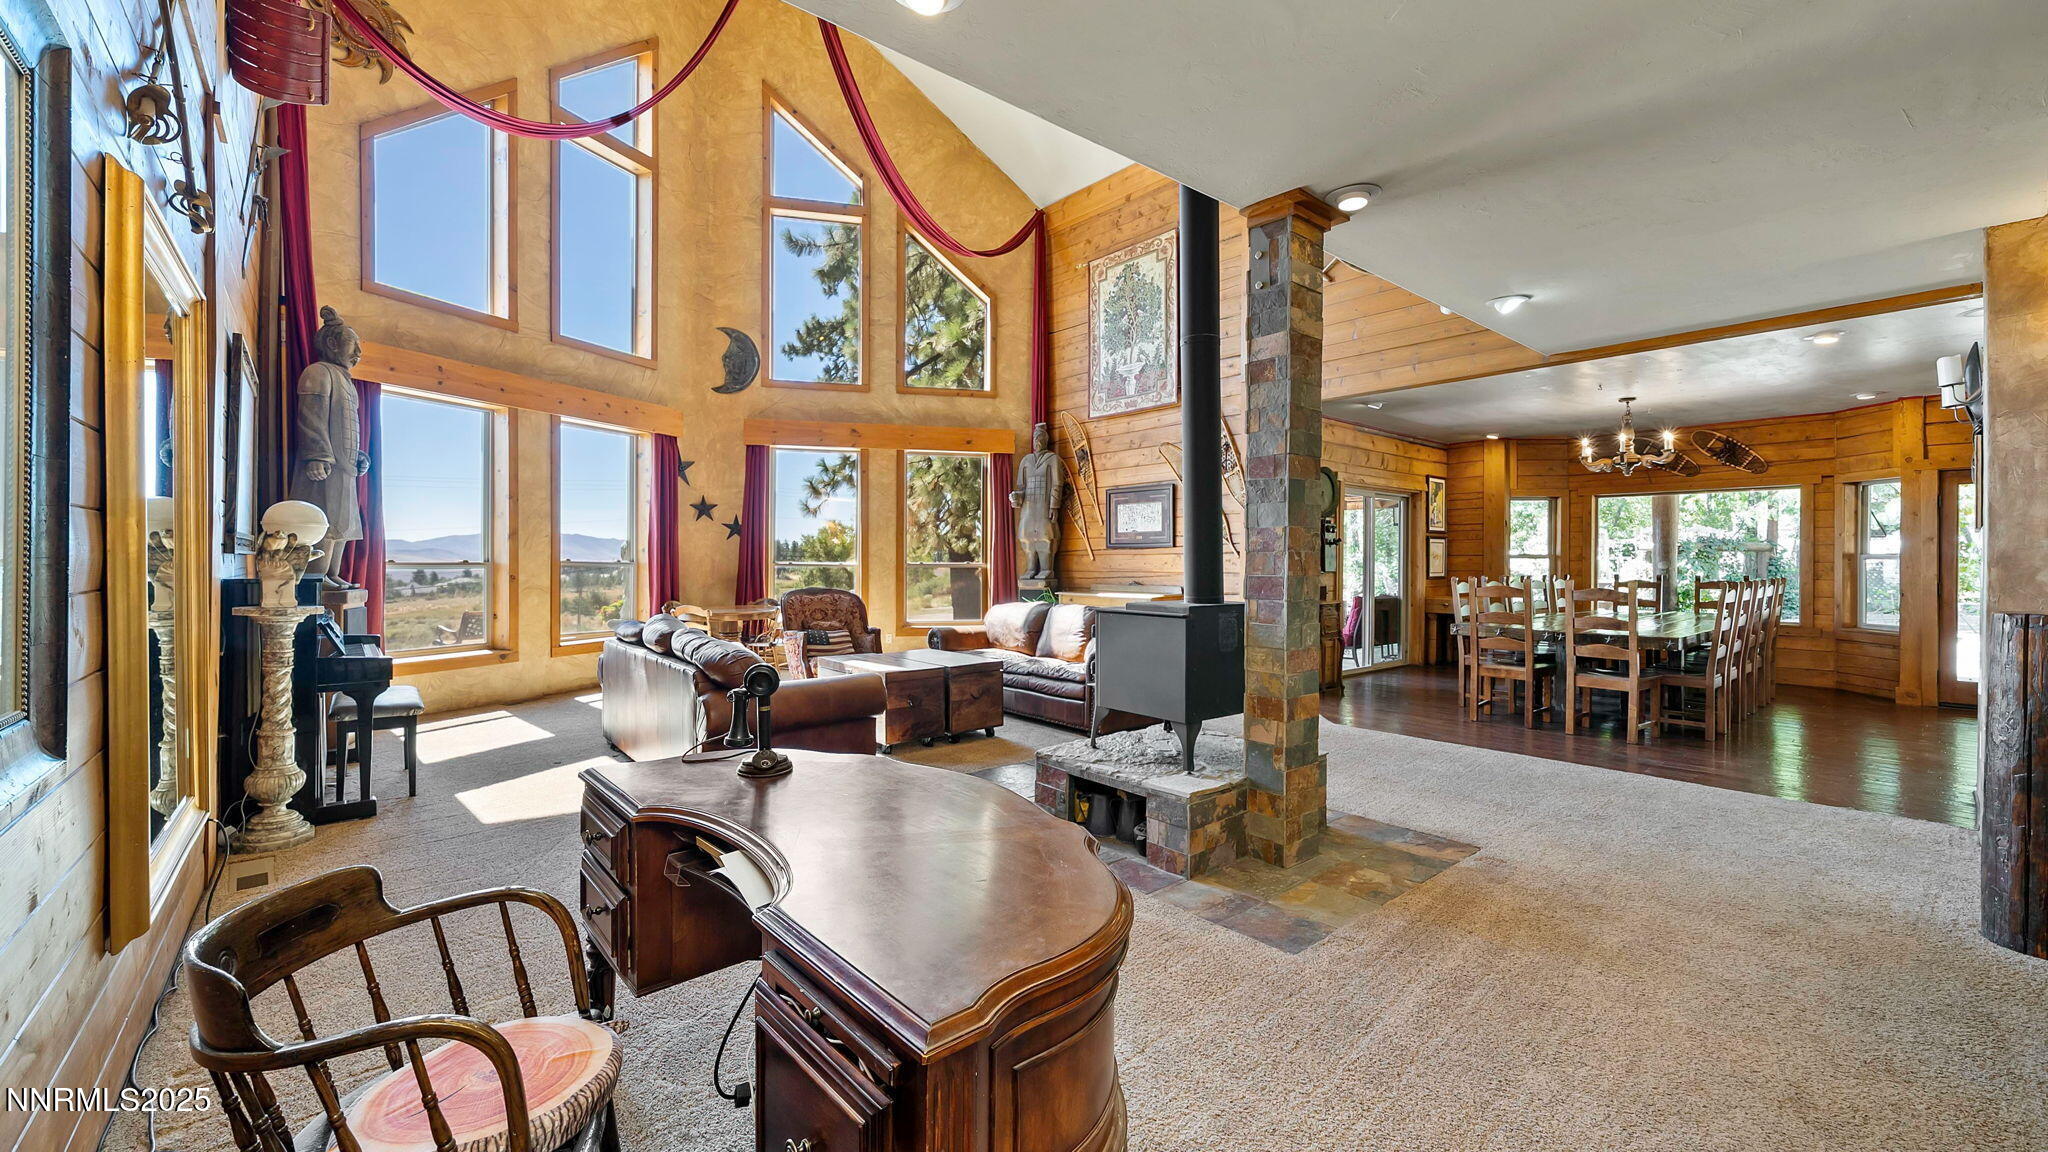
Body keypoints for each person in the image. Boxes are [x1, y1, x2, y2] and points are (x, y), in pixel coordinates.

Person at [289, 306, 369, 575]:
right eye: (353, 344)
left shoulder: (347, 383)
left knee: (343, 523)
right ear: (333, 344)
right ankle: (318, 576)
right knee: (323, 519)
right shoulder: (318, 372)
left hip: (345, 466)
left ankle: (333, 574)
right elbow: (311, 417)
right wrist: (317, 455)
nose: (358, 352)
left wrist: (359, 456)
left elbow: (349, 427)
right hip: (325, 464)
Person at [1011, 422, 1064, 583]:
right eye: (1035, 438)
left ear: (1046, 440)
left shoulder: (1052, 459)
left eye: (1040, 438)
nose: (1037, 441)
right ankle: (1031, 568)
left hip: (1044, 505)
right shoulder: (1026, 461)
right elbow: (1022, 487)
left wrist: (1054, 506)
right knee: (1026, 537)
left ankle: (1047, 569)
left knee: (1045, 536)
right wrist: (1016, 497)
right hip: (1028, 507)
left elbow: (1057, 484)